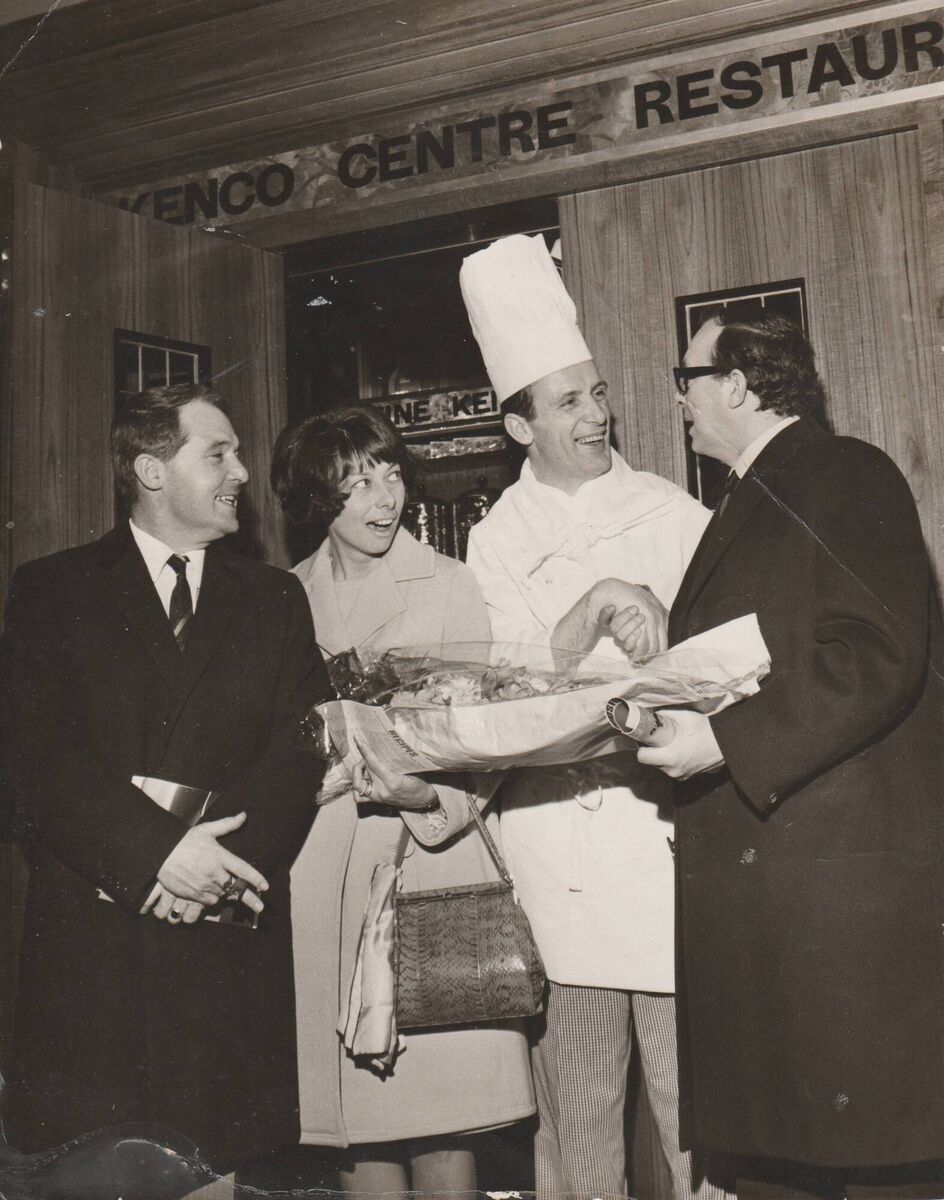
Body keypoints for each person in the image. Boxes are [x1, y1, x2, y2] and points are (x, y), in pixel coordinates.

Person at [637, 307, 944, 1199]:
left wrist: (725, 743)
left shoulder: (846, 473)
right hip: (788, 896)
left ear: (735, 385)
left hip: (837, 902)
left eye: (686, 379)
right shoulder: (760, 490)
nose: (681, 401)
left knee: (876, 1166)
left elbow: (877, 652)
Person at [0, 383, 331, 1200]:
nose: (243, 473)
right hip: (96, 956)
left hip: (226, 940)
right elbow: (34, 758)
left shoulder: (275, 598)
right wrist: (158, 856)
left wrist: (216, 871)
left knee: (216, 1167)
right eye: (219, 452)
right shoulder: (53, 590)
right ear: (151, 470)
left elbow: (303, 749)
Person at [461, 233, 728, 1200]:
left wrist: (661, 655)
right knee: (577, 1131)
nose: (597, 415)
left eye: (600, 391)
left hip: (667, 853)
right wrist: (587, 621)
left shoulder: (676, 514)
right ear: (518, 426)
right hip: (552, 871)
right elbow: (496, 705)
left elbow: (732, 673)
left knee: (697, 1115)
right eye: (569, 401)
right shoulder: (492, 545)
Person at [269, 405, 535, 1198]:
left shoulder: (449, 585)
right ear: (318, 499)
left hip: (422, 869)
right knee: (356, 1126)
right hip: (320, 881)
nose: (384, 498)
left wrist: (426, 796)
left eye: (391, 475)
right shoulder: (280, 598)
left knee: (443, 1119)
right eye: (358, 483)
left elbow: (486, 737)